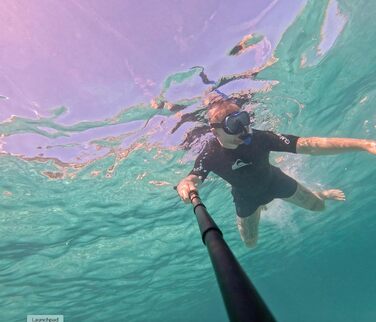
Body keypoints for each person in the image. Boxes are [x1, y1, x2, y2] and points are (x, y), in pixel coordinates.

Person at [176, 96, 376, 248]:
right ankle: (260, 208)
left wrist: (364, 145)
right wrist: (187, 184)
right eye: (233, 126)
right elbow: (194, 176)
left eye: (244, 121)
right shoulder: (211, 152)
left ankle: (320, 193)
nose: (243, 131)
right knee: (250, 243)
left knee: (318, 206)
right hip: (246, 197)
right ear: (215, 131)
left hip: (275, 182)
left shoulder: (260, 138)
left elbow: (308, 145)